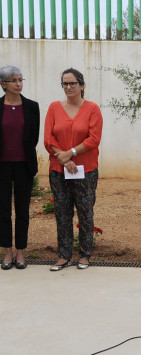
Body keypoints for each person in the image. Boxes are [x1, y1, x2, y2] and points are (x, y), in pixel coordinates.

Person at [44, 68, 103, 271]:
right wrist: (64, 158)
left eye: (73, 83)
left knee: (85, 212)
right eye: (65, 84)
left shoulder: (92, 109)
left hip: (86, 170)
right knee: (62, 212)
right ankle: (64, 255)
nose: (68, 87)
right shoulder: (53, 108)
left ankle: (85, 255)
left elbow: (94, 139)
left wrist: (71, 152)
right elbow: (48, 140)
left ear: (82, 85)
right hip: (59, 170)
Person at [0, 65, 40, 270]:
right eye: (14, 80)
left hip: (24, 165)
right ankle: (7, 252)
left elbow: (33, 138)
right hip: (2, 167)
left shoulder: (32, 107)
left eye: (20, 79)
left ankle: (21, 252)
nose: (18, 84)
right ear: (3, 84)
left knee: (23, 210)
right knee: (3, 211)